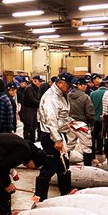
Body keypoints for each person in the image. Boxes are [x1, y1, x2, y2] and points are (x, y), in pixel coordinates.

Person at [34, 72, 74, 201]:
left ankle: (65, 195)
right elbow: (50, 121)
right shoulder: (51, 98)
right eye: (68, 86)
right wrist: (57, 139)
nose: (69, 88)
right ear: (60, 83)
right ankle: (39, 199)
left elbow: (63, 115)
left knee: (63, 167)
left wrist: (71, 123)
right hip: (51, 137)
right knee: (49, 168)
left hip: (60, 135)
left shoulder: (61, 95)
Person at [0, 132, 40, 215]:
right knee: (2, 187)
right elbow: (2, 167)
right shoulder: (25, 152)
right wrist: (7, 184)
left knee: (2, 185)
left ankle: (6, 214)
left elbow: (6, 163)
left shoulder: (25, 147)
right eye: (35, 167)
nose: (31, 169)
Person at [67, 77, 96, 161]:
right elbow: (90, 112)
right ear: (78, 85)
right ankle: (88, 167)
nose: (86, 86)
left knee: (69, 145)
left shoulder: (68, 95)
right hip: (82, 124)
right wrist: (92, 123)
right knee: (87, 146)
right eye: (84, 85)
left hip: (70, 123)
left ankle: (65, 166)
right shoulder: (85, 97)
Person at [20, 75, 43, 143]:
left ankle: (32, 142)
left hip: (33, 110)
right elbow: (31, 100)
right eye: (39, 81)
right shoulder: (29, 88)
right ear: (34, 81)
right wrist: (41, 103)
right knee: (28, 127)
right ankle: (27, 143)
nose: (40, 83)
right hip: (28, 111)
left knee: (33, 127)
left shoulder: (36, 88)